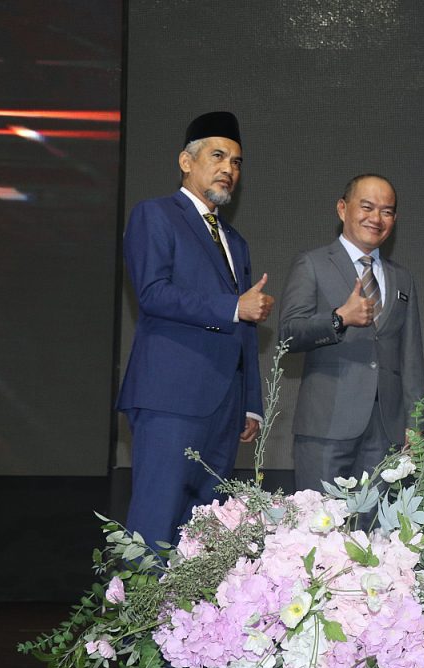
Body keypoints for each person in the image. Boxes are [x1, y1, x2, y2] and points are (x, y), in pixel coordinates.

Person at [117, 111, 274, 548]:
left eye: (236, 162)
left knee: (204, 532)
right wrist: (233, 306)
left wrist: (251, 403)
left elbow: (244, 325)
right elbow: (153, 293)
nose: (228, 169)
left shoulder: (235, 241)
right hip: (170, 399)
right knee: (155, 523)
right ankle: (140, 597)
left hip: (224, 406)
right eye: (217, 156)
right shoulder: (155, 215)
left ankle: (190, 599)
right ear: (186, 162)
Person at [279, 174, 424, 491]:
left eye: (387, 211)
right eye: (367, 207)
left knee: (377, 521)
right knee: (319, 518)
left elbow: (411, 359)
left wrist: (416, 426)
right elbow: (288, 334)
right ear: (342, 209)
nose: (376, 218)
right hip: (326, 426)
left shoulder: (402, 278)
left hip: (386, 431)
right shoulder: (312, 264)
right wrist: (338, 318)